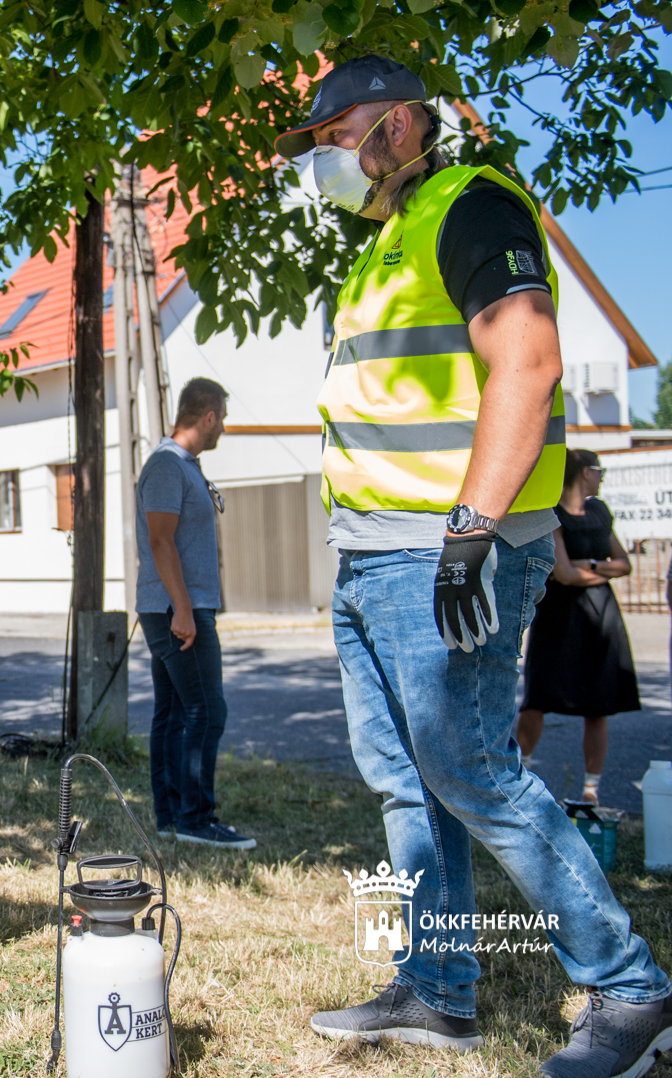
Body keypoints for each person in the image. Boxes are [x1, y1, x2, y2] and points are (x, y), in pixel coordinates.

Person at [273, 55, 670, 1074]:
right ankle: (439, 988)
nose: (322, 164)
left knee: (472, 770)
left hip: (443, 549)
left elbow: (526, 364)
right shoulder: (378, 250)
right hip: (372, 556)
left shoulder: (470, 205)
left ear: (398, 126)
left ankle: (627, 988)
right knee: (407, 781)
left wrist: (469, 533)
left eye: (333, 139)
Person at [134, 377, 255, 850]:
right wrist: (183, 607)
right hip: (177, 610)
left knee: (173, 712)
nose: (223, 427)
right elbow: (160, 540)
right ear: (207, 417)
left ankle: (171, 817)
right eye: (221, 418)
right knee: (207, 710)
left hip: (174, 607)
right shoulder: (167, 466)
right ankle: (196, 819)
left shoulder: (183, 466)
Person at [517, 448, 639, 804]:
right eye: (599, 470)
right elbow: (563, 574)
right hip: (558, 618)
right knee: (537, 698)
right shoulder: (552, 514)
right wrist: (598, 569)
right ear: (584, 472)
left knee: (598, 704)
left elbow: (624, 565)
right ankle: (521, 771)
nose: (602, 477)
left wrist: (590, 566)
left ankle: (591, 790)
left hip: (601, 616)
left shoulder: (600, 512)